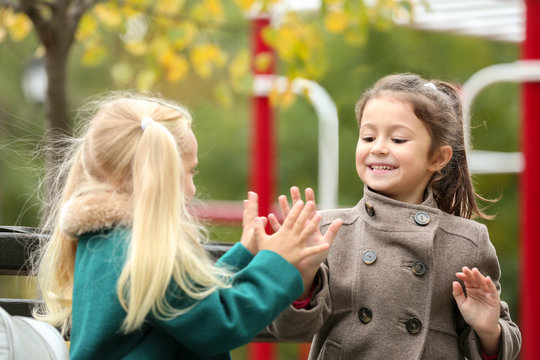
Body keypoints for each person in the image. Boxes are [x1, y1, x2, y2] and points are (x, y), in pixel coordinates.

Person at [31, 92, 343, 360]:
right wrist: (277, 262)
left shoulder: (108, 239)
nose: (193, 188)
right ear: (161, 170)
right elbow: (219, 324)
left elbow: (188, 305)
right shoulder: (144, 249)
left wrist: (245, 254)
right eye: (190, 172)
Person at [267, 73, 521, 359]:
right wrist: (299, 277)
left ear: (437, 158)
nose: (378, 148)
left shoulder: (467, 241)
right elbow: (288, 330)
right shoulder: (328, 231)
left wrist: (488, 329)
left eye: (398, 139)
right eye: (368, 137)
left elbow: (500, 344)